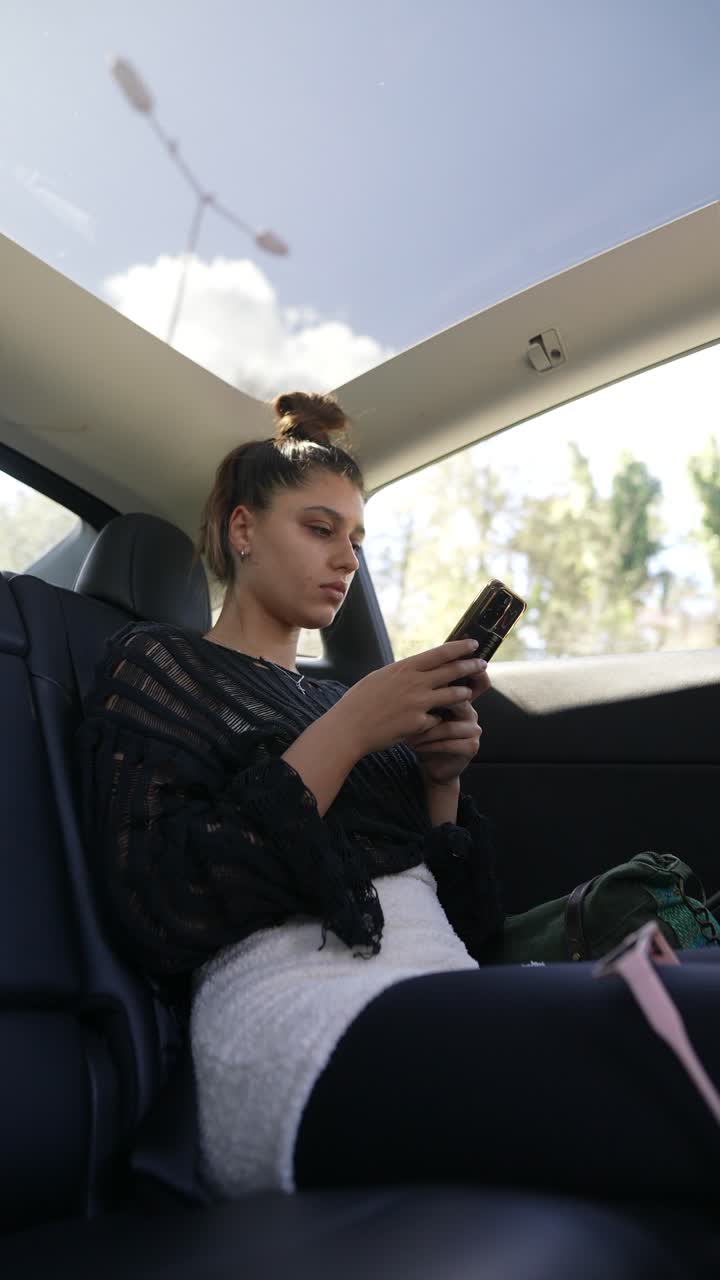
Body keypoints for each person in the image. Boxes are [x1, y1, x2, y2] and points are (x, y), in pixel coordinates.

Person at [79, 391, 720, 1204]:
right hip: (296, 1024)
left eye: (355, 539)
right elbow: (165, 901)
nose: (346, 558)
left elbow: (469, 928)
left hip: (444, 985)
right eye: (319, 529)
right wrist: (349, 730)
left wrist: (440, 785)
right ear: (243, 530)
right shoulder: (158, 667)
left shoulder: (336, 698)